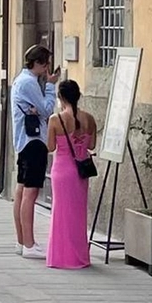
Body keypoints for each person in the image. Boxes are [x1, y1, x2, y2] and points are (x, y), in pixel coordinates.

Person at [12, 44, 60, 260]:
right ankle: (29, 243)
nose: (47, 68)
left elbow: (37, 108)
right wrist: (50, 86)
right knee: (29, 192)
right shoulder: (30, 83)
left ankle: (23, 241)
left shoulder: (21, 81)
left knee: (22, 191)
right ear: (39, 63)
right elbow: (47, 110)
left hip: (24, 141)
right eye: (46, 64)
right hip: (33, 142)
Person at [46, 80, 97, 269]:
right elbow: (92, 145)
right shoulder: (90, 119)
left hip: (62, 170)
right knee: (78, 214)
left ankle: (61, 257)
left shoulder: (55, 119)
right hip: (80, 172)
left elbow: (51, 147)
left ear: (61, 97)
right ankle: (79, 256)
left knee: (60, 213)